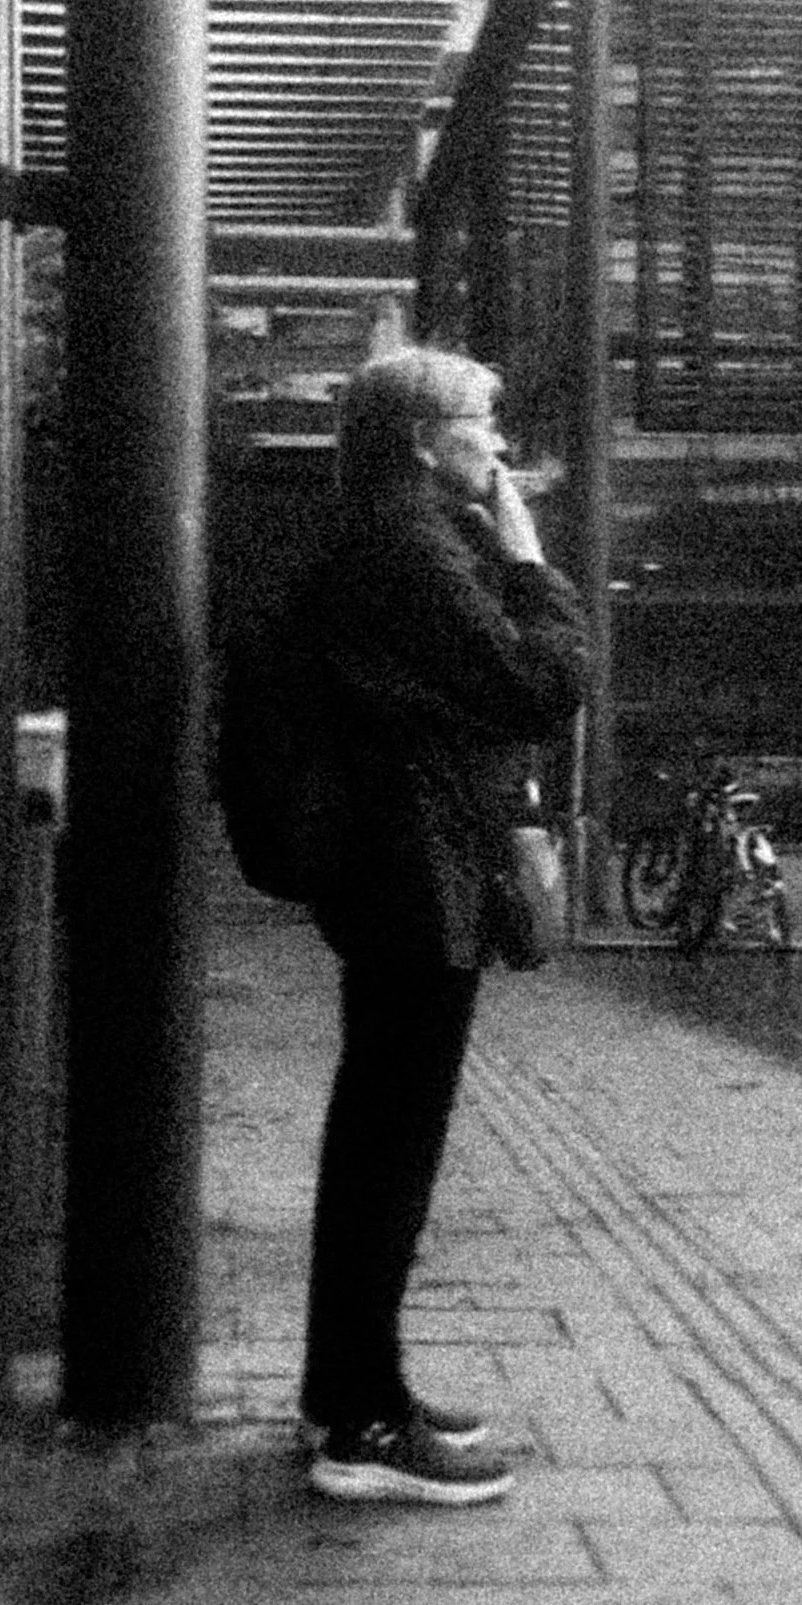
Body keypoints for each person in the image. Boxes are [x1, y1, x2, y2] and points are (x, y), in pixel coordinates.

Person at [286, 345, 589, 1507]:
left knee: (377, 1138)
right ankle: (362, 1425)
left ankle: (350, 1389)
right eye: (481, 420)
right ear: (422, 438)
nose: (498, 444)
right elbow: (538, 683)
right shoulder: (410, 546)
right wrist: (527, 561)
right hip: (414, 871)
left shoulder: (385, 533)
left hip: (405, 864)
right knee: (389, 1148)